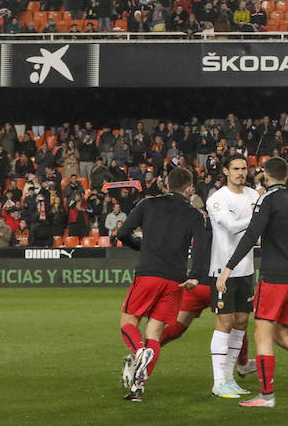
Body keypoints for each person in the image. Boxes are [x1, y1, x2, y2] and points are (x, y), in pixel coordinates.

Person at [217, 156, 288, 407]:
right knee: (282, 334)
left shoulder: (266, 199)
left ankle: (267, 395)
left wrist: (228, 268)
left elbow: (250, 236)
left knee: (263, 334)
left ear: (265, 176)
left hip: (274, 276)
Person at [116, 166, 212, 402]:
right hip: (175, 281)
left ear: (166, 184)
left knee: (128, 322)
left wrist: (142, 247)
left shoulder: (148, 205)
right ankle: (138, 389)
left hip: (148, 273)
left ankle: (140, 353)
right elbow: (202, 249)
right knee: (154, 335)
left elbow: (123, 233)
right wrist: (196, 275)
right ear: (189, 188)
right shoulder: (195, 215)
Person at [206, 154, 260, 399]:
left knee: (241, 322)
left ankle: (229, 377)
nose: (241, 172)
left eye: (244, 168)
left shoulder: (253, 195)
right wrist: (259, 217)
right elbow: (230, 226)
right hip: (222, 270)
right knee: (224, 323)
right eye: (236, 168)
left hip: (246, 270)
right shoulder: (217, 199)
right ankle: (219, 382)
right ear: (226, 171)